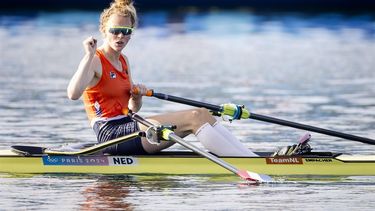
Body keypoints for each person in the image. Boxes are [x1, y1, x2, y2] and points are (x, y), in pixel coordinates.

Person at [67, 0, 257, 157]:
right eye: (115, 30)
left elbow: (132, 109)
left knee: (203, 114)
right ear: (103, 30)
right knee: (195, 117)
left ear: (131, 32)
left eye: (126, 31)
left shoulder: (123, 60)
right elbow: (73, 94)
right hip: (111, 135)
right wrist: (88, 55)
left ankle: (249, 157)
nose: (120, 36)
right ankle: (247, 162)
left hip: (128, 125)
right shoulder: (95, 60)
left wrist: (137, 97)